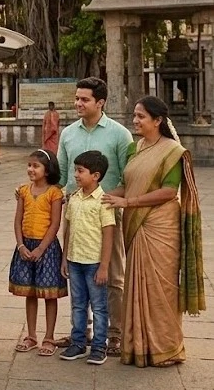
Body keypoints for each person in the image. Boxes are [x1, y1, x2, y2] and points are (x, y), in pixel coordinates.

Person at [101, 96, 205, 367]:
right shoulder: (136, 148)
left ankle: (167, 348)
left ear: (158, 120)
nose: (135, 120)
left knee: (161, 289)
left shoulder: (173, 150)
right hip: (136, 225)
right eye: (134, 115)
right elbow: (126, 184)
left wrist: (129, 203)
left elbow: (170, 191)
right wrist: (95, 197)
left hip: (161, 227)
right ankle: (139, 347)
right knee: (137, 284)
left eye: (141, 116)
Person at [56, 77, 132, 355]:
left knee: (112, 276)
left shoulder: (119, 134)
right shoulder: (68, 134)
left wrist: (110, 200)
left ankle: (115, 334)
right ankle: (82, 333)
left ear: (100, 102)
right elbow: (63, 178)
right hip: (76, 215)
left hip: (108, 214)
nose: (78, 103)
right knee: (77, 274)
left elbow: (129, 177)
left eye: (84, 99)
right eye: (77, 98)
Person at [59, 150, 116, 365]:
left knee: (99, 306)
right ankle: (78, 343)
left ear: (96, 175)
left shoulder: (103, 201)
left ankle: (100, 346)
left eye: (80, 171)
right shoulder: (74, 198)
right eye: (75, 170)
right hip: (75, 260)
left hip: (94, 263)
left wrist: (104, 266)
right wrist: (65, 258)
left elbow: (108, 234)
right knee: (78, 304)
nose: (75, 175)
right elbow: (68, 228)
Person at [9, 149, 67, 357]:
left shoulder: (55, 193)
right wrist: (21, 246)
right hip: (25, 246)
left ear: (47, 170)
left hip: (47, 248)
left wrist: (41, 248)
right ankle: (31, 335)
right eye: (29, 165)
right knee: (30, 293)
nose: (31, 169)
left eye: (36, 166)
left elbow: (55, 224)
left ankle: (49, 337)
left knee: (49, 294)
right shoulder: (23, 191)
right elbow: (17, 220)